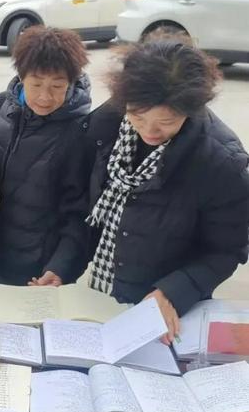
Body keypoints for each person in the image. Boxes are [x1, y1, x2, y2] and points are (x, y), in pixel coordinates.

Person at [85, 39, 249, 342]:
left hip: (173, 307)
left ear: (191, 110)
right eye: (138, 117)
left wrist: (171, 291)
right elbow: (90, 207)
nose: (149, 131)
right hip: (109, 290)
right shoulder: (108, 124)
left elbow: (228, 249)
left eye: (166, 122)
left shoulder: (221, 163)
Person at [0, 26, 92, 287]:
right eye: (36, 84)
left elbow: (81, 212)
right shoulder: (2, 106)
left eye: (57, 86)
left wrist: (62, 266)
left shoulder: (81, 131)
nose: (45, 97)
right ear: (21, 78)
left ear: (71, 83)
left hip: (41, 270)